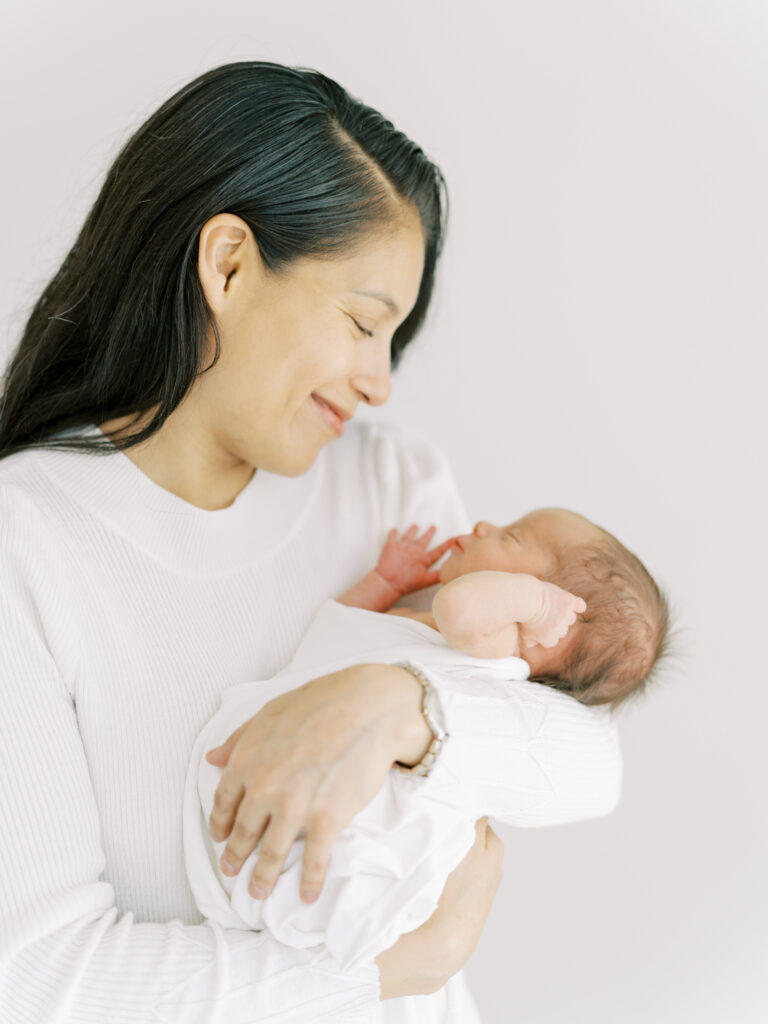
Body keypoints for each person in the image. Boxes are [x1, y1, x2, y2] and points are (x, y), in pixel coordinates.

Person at [0, 62, 622, 1023]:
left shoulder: (393, 490)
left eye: (395, 338)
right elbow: (40, 978)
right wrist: (374, 978)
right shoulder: (27, 539)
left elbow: (592, 762)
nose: (380, 381)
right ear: (229, 265)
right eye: (364, 323)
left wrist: (400, 704)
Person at [185, 509, 666, 972]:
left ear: (547, 632)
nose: (483, 524)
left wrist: (535, 603)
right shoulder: (435, 633)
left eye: (512, 536)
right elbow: (340, 630)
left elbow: (460, 607)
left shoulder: (495, 648)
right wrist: (387, 583)